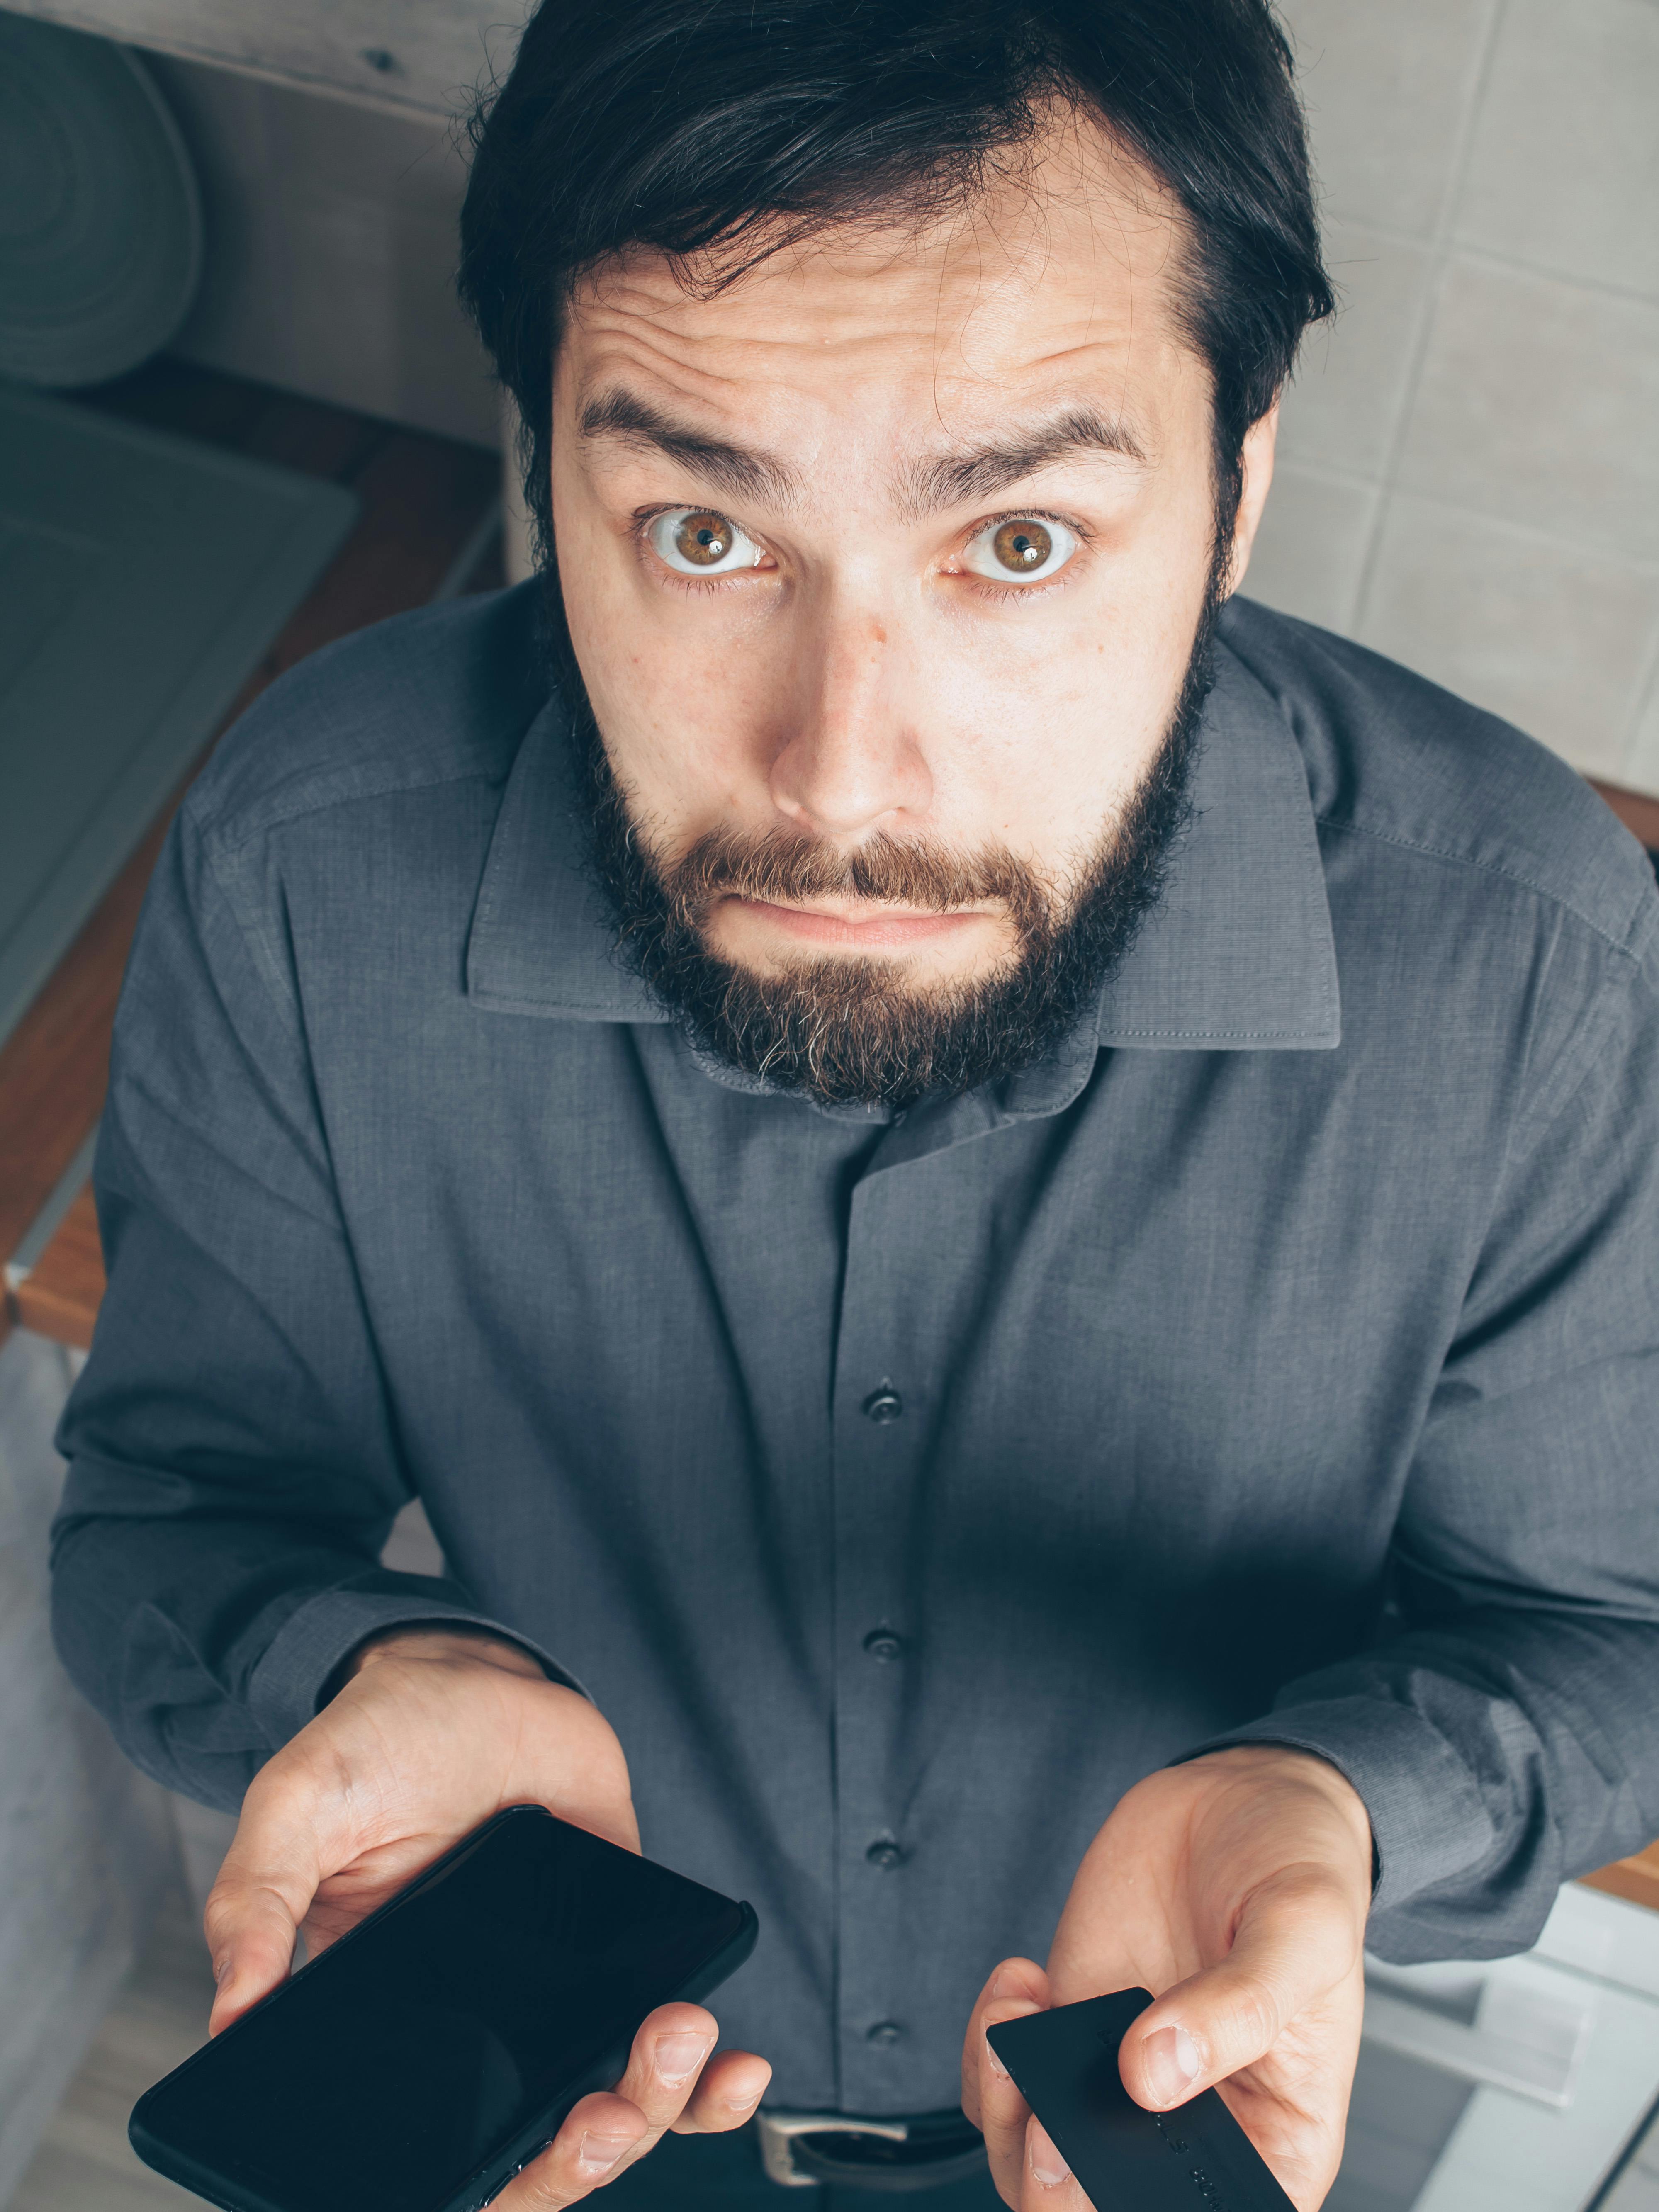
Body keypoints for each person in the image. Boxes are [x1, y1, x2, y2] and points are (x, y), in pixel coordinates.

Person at [48, 0, 1659, 2207]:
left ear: (1236, 490)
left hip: (1153, 2126)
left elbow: (1612, 1635)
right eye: (703, 535)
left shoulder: (1532, 957)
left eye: (1019, 545)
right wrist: (373, 1664)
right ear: (545, 472)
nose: (840, 777)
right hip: (579, 2116)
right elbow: (173, 1512)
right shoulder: (306, 865)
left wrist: (1343, 1800)